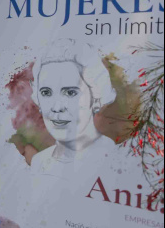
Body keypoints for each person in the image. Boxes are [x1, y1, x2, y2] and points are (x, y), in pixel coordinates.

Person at [29, 39, 118, 180]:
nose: (56, 108)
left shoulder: (114, 160)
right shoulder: (39, 161)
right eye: (46, 92)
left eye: (71, 92)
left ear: (96, 97)